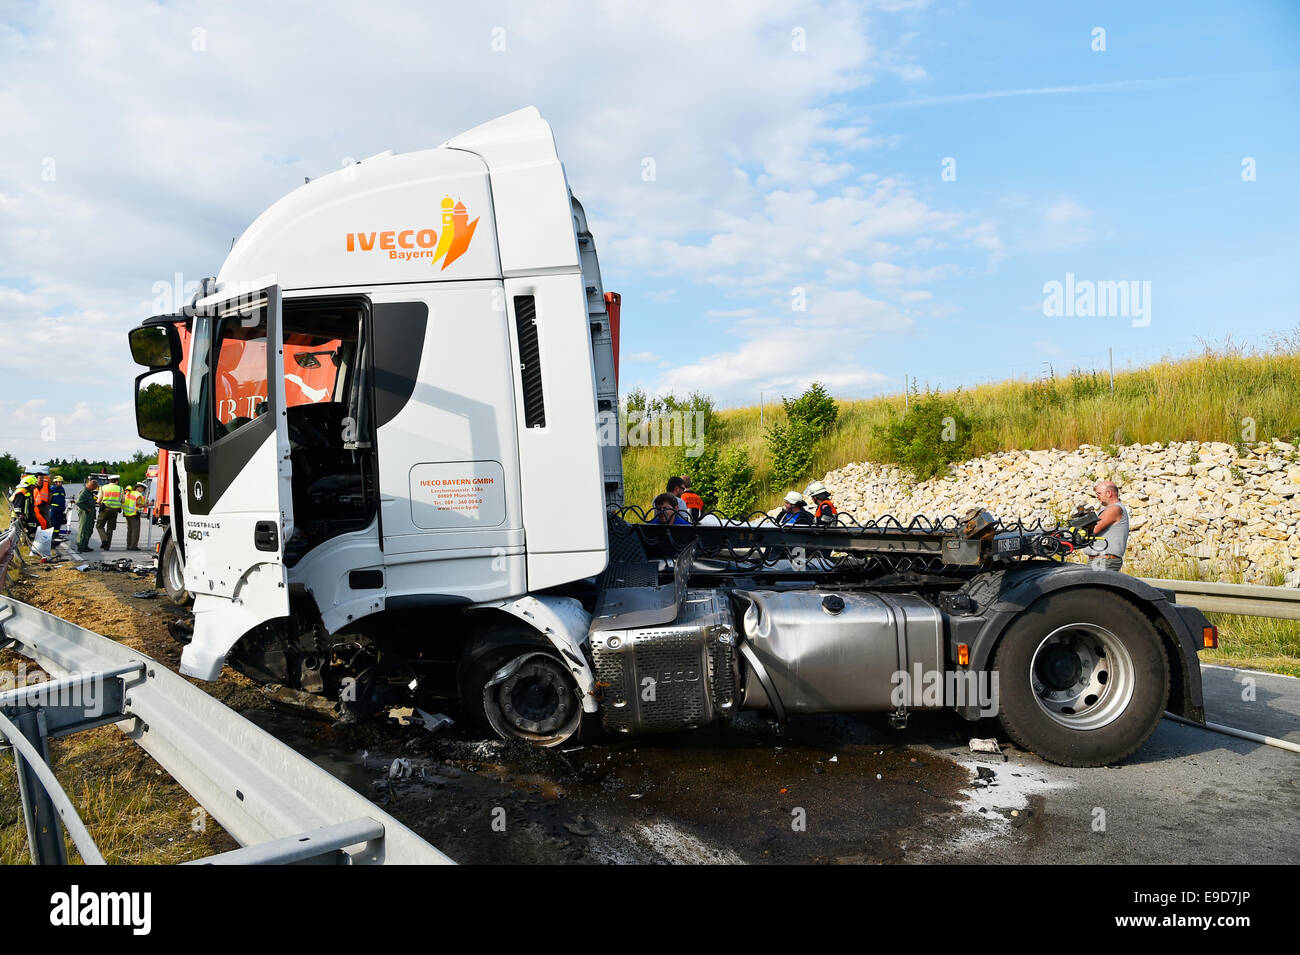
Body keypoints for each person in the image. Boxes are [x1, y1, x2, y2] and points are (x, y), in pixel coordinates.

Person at [1083, 479, 1129, 572]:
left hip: (1103, 561)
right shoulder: (1108, 509)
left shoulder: (1114, 509)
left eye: (1099, 493)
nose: (1097, 497)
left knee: (1094, 586)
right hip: (1100, 560)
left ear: (1109, 493)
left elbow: (1094, 529)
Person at [96, 474, 123, 551]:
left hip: (105, 509)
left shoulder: (103, 488)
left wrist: (101, 504)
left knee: (99, 526)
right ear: (117, 481)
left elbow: (98, 500)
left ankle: (104, 540)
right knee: (110, 528)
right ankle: (107, 547)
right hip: (115, 511)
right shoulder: (120, 489)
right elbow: (123, 500)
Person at [75, 478, 98, 554]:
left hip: (89, 515)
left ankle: (85, 545)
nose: (94, 489)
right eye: (94, 487)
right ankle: (81, 545)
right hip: (85, 514)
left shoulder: (88, 492)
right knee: (84, 529)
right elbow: (79, 502)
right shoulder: (84, 492)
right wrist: (86, 509)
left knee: (88, 530)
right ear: (91, 486)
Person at [123, 481, 147, 551]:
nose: (143, 490)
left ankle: (128, 544)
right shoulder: (138, 495)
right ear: (139, 487)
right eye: (143, 489)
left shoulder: (129, 493)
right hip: (134, 514)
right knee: (135, 530)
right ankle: (133, 546)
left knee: (130, 530)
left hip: (127, 513)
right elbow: (139, 504)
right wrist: (149, 505)